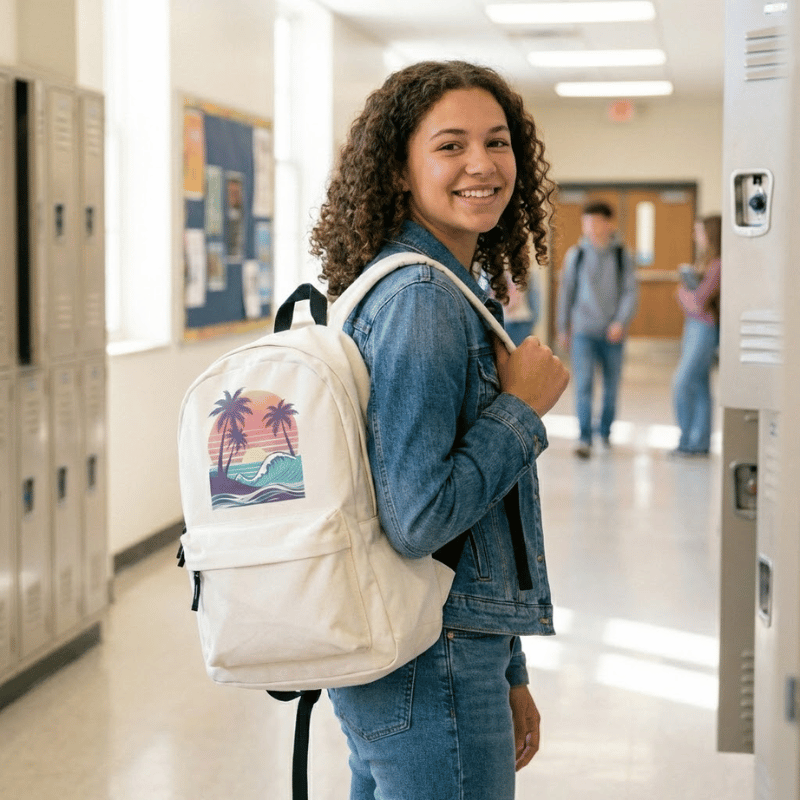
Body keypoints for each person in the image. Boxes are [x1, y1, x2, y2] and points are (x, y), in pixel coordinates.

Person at [309, 60, 569, 800]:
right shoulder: (422, 297)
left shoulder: (438, 287)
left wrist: (508, 667)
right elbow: (420, 519)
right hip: (432, 660)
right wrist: (521, 411)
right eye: (450, 145)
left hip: (436, 652)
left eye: (498, 142)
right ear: (401, 169)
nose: (482, 165)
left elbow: (476, 528)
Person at [555, 201, 638, 458]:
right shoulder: (576, 255)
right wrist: (562, 327)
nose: (589, 227)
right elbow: (565, 293)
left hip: (613, 333)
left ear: (609, 223)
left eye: (594, 221)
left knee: (611, 387)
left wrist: (620, 322)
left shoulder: (622, 255)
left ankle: (605, 432)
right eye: (586, 222)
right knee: (584, 385)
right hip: (583, 332)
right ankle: (584, 437)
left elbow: (630, 292)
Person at [671, 214, 722, 456]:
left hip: (704, 328)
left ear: (711, 234)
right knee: (701, 387)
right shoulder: (706, 262)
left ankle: (687, 440)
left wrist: (682, 292)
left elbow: (698, 303)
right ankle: (699, 443)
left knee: (681, 383)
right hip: (694, 327)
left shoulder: (718, 265)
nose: (696, 236)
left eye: (699, 231)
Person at [504, 269, 541, 346]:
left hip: (522, 321)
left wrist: (534, 320)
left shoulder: (529, 271)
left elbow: (534, 297)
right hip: (504, 321)